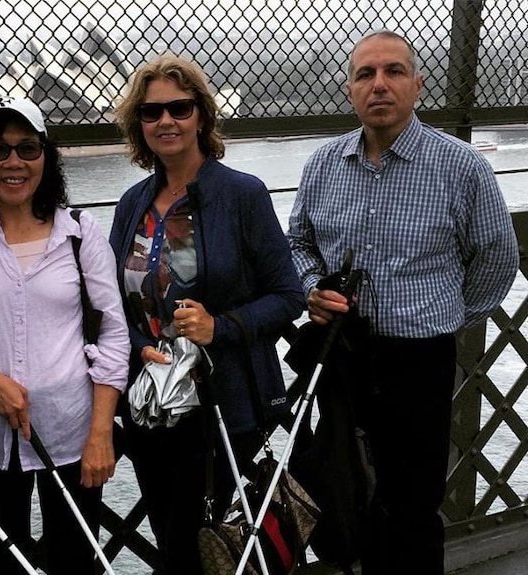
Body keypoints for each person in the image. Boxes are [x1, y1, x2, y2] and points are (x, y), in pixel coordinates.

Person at [286, 29, 519, 575]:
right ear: (350, 90)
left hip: (419, 359)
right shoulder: (324, 164)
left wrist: (449, 314)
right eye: (366, 74)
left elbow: (497, 257)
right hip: (342, 356)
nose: (380, 85)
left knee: (413, 504)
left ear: (417, 85)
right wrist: (311, 288)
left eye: (393, 72)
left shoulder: (461, 167)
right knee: (347, 491)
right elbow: (297, 241)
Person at [109, 54, 305, 575]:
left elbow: (289, 294)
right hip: (150, 403)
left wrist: (222, 327)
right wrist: (134, 349)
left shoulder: (242, 195)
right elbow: (110, 304)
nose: (166, 121)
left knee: (202, 545)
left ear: (201, 115)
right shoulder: (133, 203)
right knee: (173, 536)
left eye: (179, 107)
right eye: (152, 113)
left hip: (221, 403)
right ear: (139, 125)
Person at [0, 97, 130, 574]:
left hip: (73, 431)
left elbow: (114, 335)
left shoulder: (81, 232)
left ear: (46, 156)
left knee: (77, 559)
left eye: (27, 148)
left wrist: (101, 432)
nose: (13, 162)